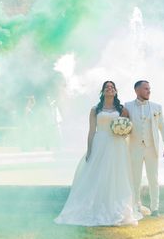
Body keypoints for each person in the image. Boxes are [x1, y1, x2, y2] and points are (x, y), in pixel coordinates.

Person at [55, 81, 139, 226]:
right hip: (100, 142)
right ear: (103, 91)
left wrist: (121, 132)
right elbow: (91, 131)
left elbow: (129, 128)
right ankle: (94, 206)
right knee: (98, 174)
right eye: (107, 87)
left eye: (112, 87)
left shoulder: (122, 109)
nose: (109, 89)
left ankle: (116, 207)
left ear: (115, 91)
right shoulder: (95, 110)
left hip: (117, 145)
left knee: (115, 175)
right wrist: (90, 149)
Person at [125, 80, 164, 218]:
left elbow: (163, 127)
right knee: (135, 179)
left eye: (149, 88)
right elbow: (125, 126)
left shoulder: (157, 107)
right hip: (134, 148)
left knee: (153, 179)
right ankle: (135, 206)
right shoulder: (127, 106)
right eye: (146, 89)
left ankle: (155, 208)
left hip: (152, 148)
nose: (149, 91)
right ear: (137, 90)